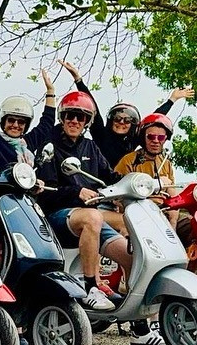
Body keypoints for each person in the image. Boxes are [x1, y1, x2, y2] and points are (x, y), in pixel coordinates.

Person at [33, 92, 139, 318]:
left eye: (81, 117)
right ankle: (92, 286)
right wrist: (76, 192)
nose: (74, 121)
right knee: (93, 216)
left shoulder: (90, 147)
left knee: (130, 257)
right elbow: (46, 194)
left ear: (87, 122)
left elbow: (110, 176)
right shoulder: (50, 146)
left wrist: (137, 184)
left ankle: (136, 321)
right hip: (59, 218)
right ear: (62, 117)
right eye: (70, 115)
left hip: (92, 218)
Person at [56, 59, 193, 168]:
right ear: (111, 120)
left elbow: (153, 121)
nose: (121, 122)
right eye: (117, 118)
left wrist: (172, 99)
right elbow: (92, 107)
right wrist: (78, 80)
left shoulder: (133, 139)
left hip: (126, 185)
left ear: (133, 124)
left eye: (127, 120)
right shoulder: (101, 135)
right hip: (98, 183)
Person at [0, 69, 60, 169]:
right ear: (3, 122)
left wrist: (50, 92)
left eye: (21, 122)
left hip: (27, 183)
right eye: (11, 120)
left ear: (26, 125)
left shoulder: (27, 143)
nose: (15, 125)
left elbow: (47, 124)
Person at [115, 113, 179, 230]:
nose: (156, 141)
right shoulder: (128, 161)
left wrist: (173, 222)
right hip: (139, 213)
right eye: (151, 137)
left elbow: (173, 195)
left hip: (165, 212)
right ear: (142, 137)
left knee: (193, 224)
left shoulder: (166, 162)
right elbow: (118, 197)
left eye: (160, 138)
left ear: (165, 139)